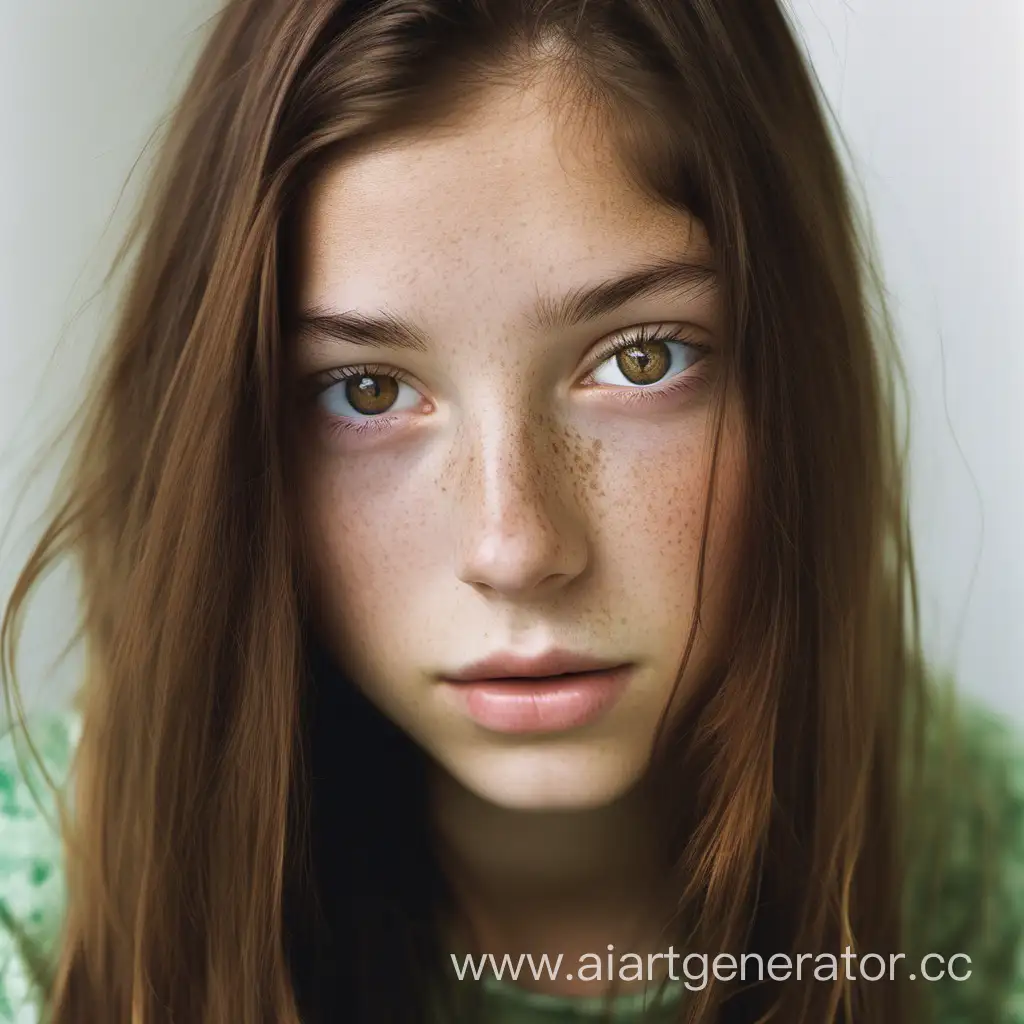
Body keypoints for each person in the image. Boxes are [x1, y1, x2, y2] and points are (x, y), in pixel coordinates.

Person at [0, 0, 1022, 1021]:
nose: (515, 548)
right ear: (236, 443)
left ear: (793, 376)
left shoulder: (983, 881)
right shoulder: (45, 921)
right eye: (367, 390)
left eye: (640, 359)